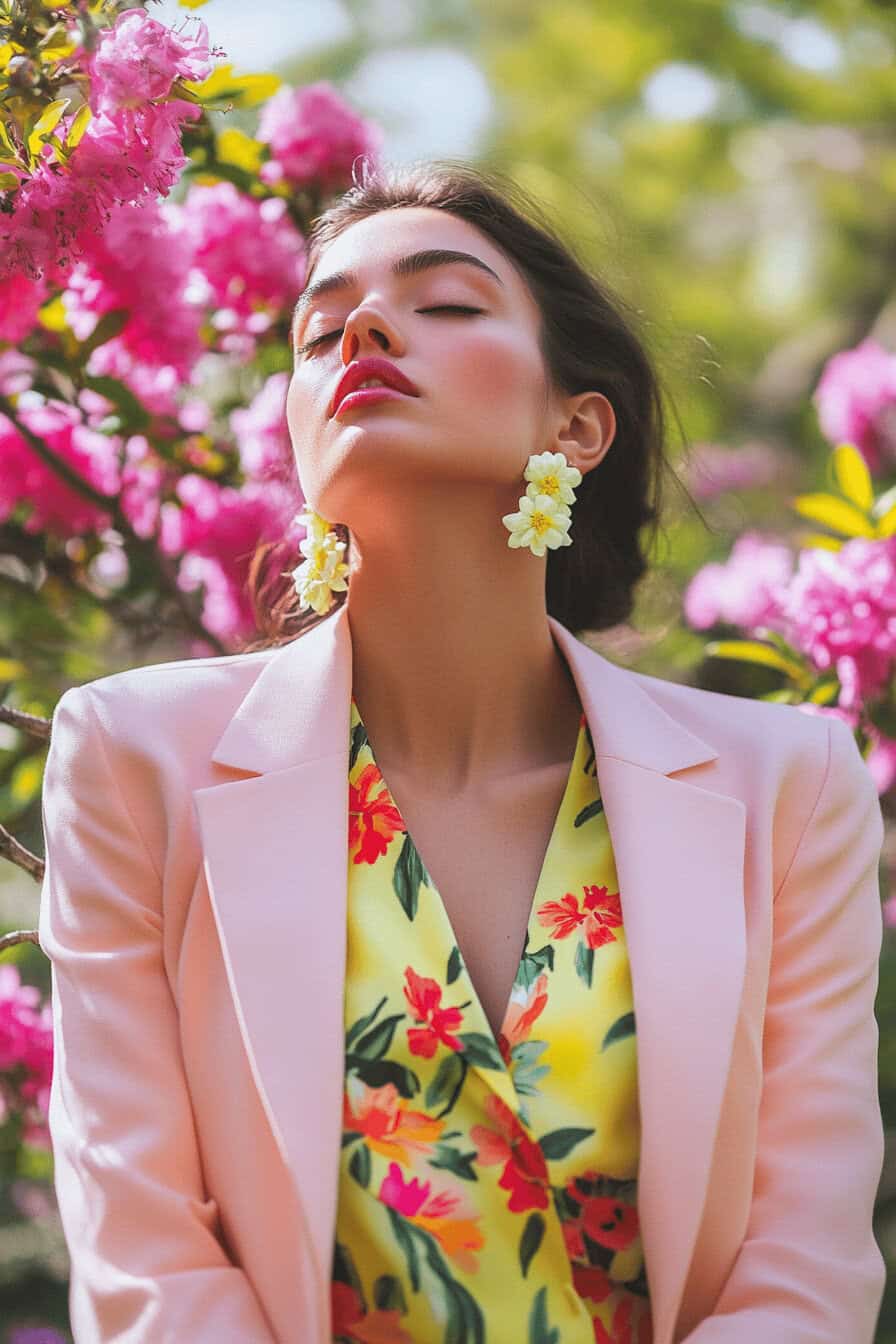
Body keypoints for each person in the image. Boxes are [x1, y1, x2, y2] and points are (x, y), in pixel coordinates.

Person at [38, 159, 886, 1344]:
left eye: (443, 302)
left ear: (574, 426)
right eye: (320, 331)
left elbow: (802, 1269)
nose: (366, 331)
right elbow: (147, 1263)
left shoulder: (787, 788)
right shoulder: (134, 760)